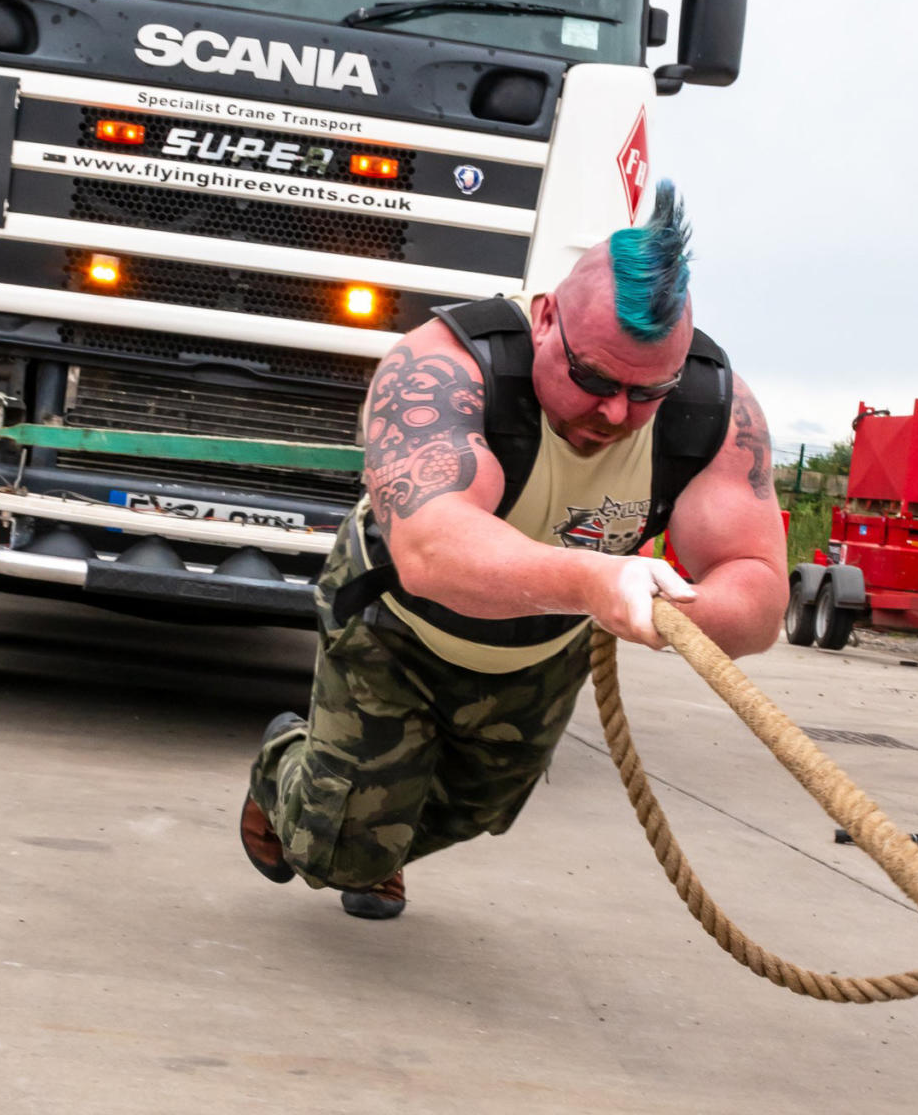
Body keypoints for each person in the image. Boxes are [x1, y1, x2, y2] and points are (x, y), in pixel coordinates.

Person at [240, 182, 788, 920]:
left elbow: (758, 592)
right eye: (592, 378)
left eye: (647, 390)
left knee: (479, 810)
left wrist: (682, 612)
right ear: (546, 318)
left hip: (541, 638)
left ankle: (373, 827)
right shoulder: (444, 369)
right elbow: (434, 551)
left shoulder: (715, 409)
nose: (616, 413)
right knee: (338, 853)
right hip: (398, 622)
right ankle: (288, 767)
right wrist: (598, 582)